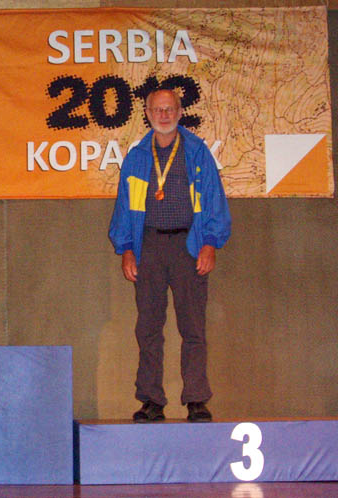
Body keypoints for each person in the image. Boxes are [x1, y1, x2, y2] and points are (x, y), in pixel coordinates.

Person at [108, 88, 231, 422]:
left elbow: (214, 199)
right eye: (157, 110)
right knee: (148, 326)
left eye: (169, 109)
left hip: (188, 246)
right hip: (147, 245)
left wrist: (209, 243)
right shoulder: (135, 157)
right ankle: (151, 399)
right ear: (146, 113)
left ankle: (196, 399)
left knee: (193, 327)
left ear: (180, 112)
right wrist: (127, 249)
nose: (163, 115)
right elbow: (123, 207)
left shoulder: (197, 152)